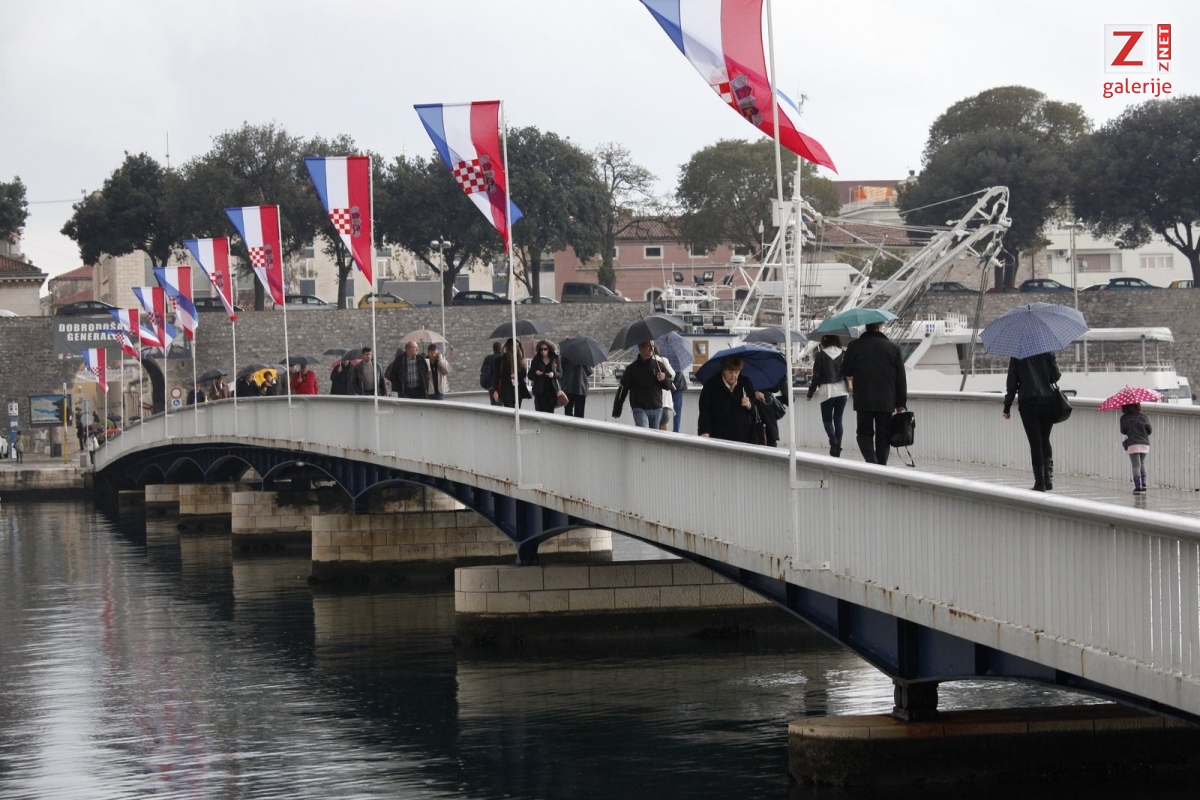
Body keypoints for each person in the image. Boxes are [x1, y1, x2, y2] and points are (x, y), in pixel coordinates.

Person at [841, 322, 907, 465]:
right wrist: (901, 402)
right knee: (884, 433)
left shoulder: (855, 346)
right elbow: (901, 377)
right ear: (879, 327)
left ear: (867, 327)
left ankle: (871, 460)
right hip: (886, 399)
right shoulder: (893, 347)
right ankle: (881, 464)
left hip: (863, 397)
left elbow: (846, 370)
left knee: (864, 432)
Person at [1002, 350, 1062, 491]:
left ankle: (1039, 482)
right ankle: (1048, 480)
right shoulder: (1047, 350)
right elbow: (1056, 376)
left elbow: (1012, 383)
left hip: (1028, 402)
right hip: (1048, 401)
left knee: (1035, 442)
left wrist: (1007, 406)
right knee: (1045, 439)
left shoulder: (1017, 353)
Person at [806, 334, 849, 456]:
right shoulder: (843, 354)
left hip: (826, 391)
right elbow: (847, 372)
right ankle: (838, 448)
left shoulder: (821, 355)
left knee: (827, 420)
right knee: (838, 420)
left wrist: (810, 392)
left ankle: (833, 439)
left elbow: (816, 376)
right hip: (842, 390)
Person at [697, 355, 755, 442]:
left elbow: (753, 409)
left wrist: (749, 404)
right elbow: (705, 410)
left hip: (742, 435)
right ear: (724, 371)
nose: (734, 376)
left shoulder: (745, 383)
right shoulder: (711, 385)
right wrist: (705, 431)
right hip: (718, 434)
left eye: (736, 372)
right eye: (730, 372)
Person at [617, 340, 673, 428]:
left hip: (656, 408)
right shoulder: (632, 368)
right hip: (639, 408)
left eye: (653, 346)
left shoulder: (659, 366)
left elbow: (669, 386)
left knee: (653, 435)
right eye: (648, 346)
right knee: (644, 433)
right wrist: (617, 408)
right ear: (641, 348)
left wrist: (664, 379)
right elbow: (623, 388)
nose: (651, 348)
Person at [1120, 402, 1152, 494]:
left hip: (1133, 443)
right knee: (1142, 463)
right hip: (1144, 443)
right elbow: (1149, 430)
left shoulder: (1123, 418)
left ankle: (1138, 487)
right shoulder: (1143, 416)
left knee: (1136, 465)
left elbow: (1123, 431)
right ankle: (1144, 484)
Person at [492, 338, 528, 408]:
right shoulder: (501, 360)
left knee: (517, 410)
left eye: (518, 346)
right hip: (507, 390)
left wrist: (523, 366)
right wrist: (495, 390)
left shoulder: (519, 359)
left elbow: (523, 376)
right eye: (515, 346)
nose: (517, 348)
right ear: (510, 347)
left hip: (518, 389)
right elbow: (496, 376)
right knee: (510, 410)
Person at [529, 340, 563, 413]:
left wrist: (554, 374)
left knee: (550, 412)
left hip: (552, 390)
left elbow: (560, 374)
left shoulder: (555, 359)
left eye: (545, 349)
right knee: (540, 411)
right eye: (541, 349)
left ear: (549, 349)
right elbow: (530, 376)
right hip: (539, 390)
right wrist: (535, 373)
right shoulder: (536, 360)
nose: (543, 351)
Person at [481, 342, 504, 406]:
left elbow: (482, 370)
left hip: (491, 385)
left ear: (493, 349)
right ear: (501, 348)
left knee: (493, 405)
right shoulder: (503, 358)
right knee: (500, 405)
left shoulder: (488, 358)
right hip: (501, 385)